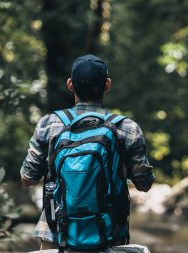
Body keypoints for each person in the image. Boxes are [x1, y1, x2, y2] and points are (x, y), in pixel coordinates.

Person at [20, 54, 155, 250]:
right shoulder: (127, 128)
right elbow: (144, 184)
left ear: (70, 84)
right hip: (109, 234)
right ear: (107, 84)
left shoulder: (49, 124)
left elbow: (27, 178)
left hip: (56, 233)